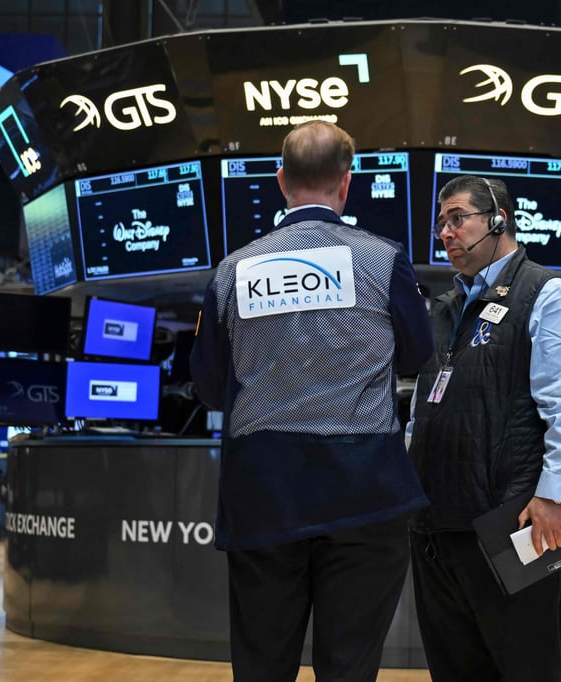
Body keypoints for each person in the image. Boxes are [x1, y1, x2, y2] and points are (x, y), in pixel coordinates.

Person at [190, 121, 433, 681]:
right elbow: (417, 354)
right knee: (349, 668)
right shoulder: (382, 259)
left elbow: (207, 385)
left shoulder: (232, 272)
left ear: (281, 181)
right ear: (345, 185)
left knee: (261, 665)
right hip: (364, 491)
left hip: (264, 493)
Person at [406, 175, 561, 681]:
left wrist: (554, 496)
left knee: (524, 667)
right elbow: (422, 409)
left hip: (515, 521)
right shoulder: (444, 310)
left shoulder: (548, 293)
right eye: (440, 223)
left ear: (498, 220)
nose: (445, 233)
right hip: (436, 526)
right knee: (455, 670)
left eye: (457, 219)